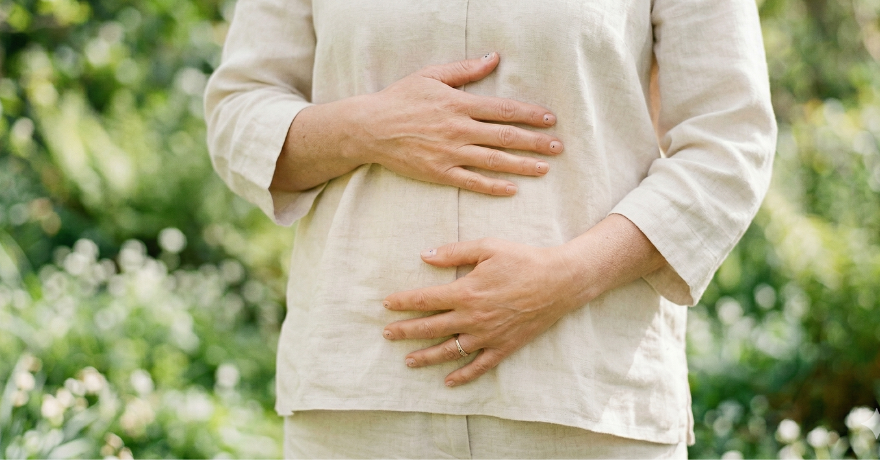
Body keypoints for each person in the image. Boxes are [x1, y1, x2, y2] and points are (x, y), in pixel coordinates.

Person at [204, 0, 776, 458]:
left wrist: (568, 277)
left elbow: (729, 143)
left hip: (586, 398)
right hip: (359, 396)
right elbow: (238, 112)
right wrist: (369, 127)